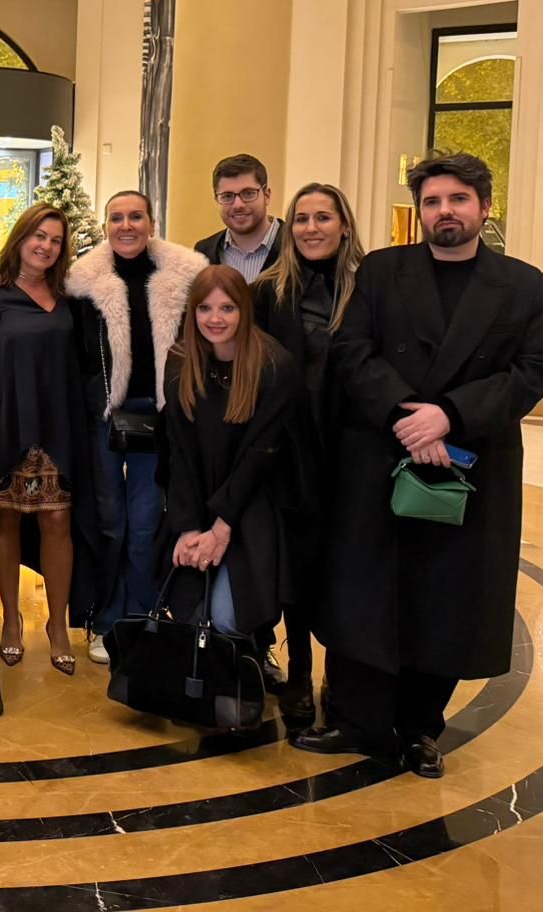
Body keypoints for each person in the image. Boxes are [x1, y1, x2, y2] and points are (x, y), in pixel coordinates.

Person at [295, 153, 543, 779]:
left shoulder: (521, 285)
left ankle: (419, 731)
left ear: (483, 208)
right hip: (381, 452)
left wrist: (450, 416)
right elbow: (351, 350)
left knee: (444, 596)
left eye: (458, 200)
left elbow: (532, 371)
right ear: (420, 211)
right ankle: (356, 722)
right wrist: (407, 415)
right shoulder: (384, 271)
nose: (446, 212)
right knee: (366, 591)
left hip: (467, 463)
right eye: (434, 201)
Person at [0, 202, 84, 675]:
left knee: (58, 524)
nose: (45, 245)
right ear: (21, 238)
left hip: (59, 425)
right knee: (4, 523)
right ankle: (10, 620)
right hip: (6, 424)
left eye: (55, 239)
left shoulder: (69, 297)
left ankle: (58, 625)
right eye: (38, 236)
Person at [69, 191, 205, 664]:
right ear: (106, 225)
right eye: (116, 218)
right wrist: (94, 400)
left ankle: (142, 616)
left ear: (152, 221)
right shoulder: (84, 282)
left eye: (135, 216)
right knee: (110, 522)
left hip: (160, 417)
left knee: (147, 524)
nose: (126, 225)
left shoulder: (185, 277)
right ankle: (104, 620)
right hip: (105, 417)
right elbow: (78, 358)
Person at [251, 182, 365, 722]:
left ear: (344, 224)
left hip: (353, 451)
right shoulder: (269, 292)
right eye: (301, 218)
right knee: (296, 571)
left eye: (323, 217)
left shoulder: (369, 289)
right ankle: (297, 672)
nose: (311, 228)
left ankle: (342, 679)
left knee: (348, 569)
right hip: (291, 453)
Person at [159, 267, 300, 646]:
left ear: (245, 311)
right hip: (196, 504)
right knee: (191, 614)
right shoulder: (179, 361)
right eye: (204, 308)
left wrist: (222, 528)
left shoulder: (274, 366)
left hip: (251, 508)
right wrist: (188, 528)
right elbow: (177, 451)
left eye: (227, 308)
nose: (215, 319)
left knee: (226, 619)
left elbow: (261, 456)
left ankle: (251, 659)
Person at [193, 153, 285, 281]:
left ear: (267, 195)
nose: (238, 205)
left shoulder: (294, 245)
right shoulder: (203, 254)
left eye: (248, 193)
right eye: (227, 196)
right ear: (216, 200)